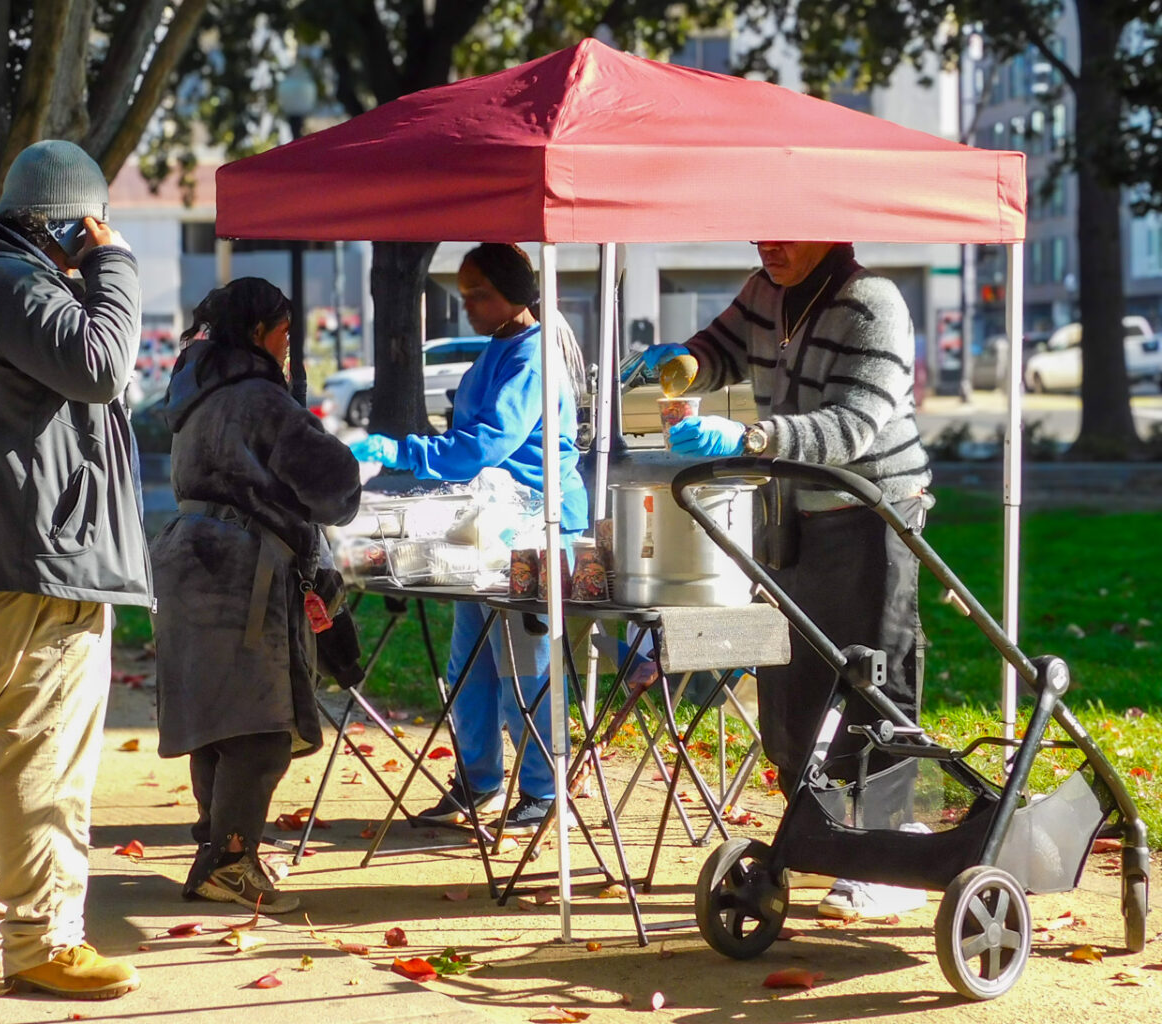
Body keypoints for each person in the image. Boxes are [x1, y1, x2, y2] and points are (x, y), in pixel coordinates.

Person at [0, 140, 148, 1000]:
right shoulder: (11, 284)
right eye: (91, 227)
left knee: (7, 753)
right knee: (43, 757)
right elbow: (102, 367)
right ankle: (46, 940)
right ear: (68, 225)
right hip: (35, 561)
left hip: (8, 552)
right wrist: (114, 265)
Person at [645, 240, 932, 920]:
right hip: (791, 511)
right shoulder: (762, 290)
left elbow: (854, 427)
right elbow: (717, 351)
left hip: (873, 510)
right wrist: (678, 366)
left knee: (875, 681)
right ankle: (829, 835)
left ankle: (888, 852)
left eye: (785, 227)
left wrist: (749, 440)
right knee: (789, 683)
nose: (766, 241)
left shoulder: (873, 304)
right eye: (759, 227)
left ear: (829, 226)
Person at [349, 243, 589, 831]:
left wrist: (404, 450)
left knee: (525, 667)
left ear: (515, 292)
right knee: (469, 666)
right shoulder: (497, 351)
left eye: (478, 294)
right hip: (491, 527)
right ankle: (477, 780)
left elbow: (483, 446)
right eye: (463, 296)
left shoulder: (533, 357)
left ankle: (541, 789)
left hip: (537, 528)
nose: (469, 307)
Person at [150, 278, 362, 915]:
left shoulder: (197, 391)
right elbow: (332, 484)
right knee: (259, 728)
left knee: (218, 723)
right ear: (256, 333)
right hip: (240, 570)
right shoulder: (258, 396)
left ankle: (218, 848)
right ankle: (231, 859)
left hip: (188, 558)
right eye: (285, 333)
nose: (289, 347)